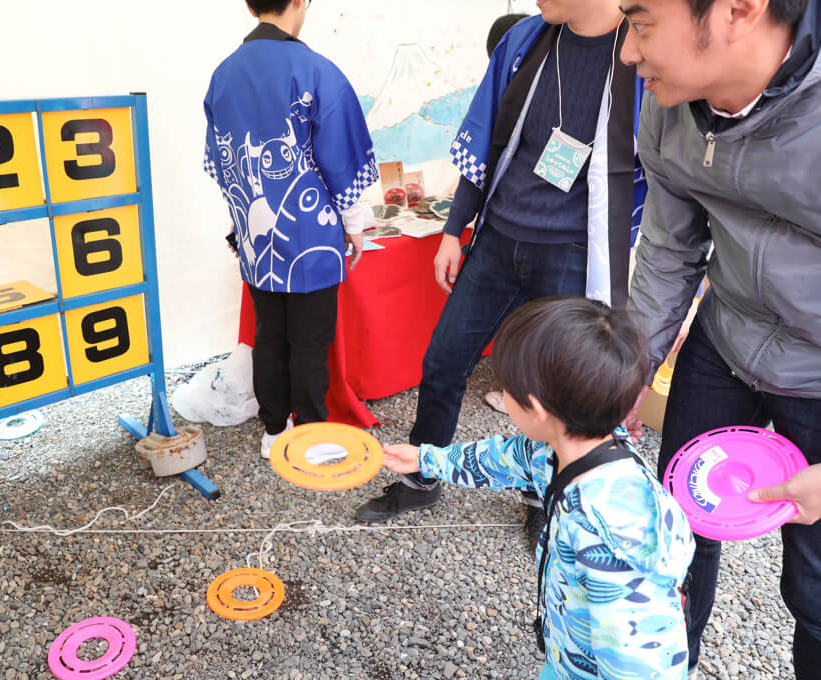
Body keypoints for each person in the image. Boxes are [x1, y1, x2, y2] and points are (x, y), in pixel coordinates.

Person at [355, 0, 649, 542]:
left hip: (572, 250)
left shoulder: (640, 50)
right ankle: (422, 477)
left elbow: (655, 171)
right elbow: (484, 142)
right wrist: (452, 231)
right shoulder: (525, 41)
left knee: (554, 388)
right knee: (443, 361)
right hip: (497, 236)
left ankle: (545, 495)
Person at [618, 0, 820, 677]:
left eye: (641, 22)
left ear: (739, 10)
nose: (626, 51)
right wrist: (628, 368)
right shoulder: (669, 98)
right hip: (726, 336)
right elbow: (670, 248)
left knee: (816, 590)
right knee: (676, 522)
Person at [382, 297, 694, 680]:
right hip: (567, 657)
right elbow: (504, 458)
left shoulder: (612, 532)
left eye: (506, 387)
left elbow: (638, 663)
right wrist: (425, 460)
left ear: (537, 409)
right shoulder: (561, 449)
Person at [203, 0, 377, 458]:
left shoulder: (224, 74)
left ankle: (273, 430)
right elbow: (341, 160)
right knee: (310, 340)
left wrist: (241, 221)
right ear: (300, 1)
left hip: (255, 236)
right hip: (310, 236)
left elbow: (222, 164)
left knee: (270, 334)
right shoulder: (316, 71)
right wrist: (356, 226)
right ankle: (311, 435)